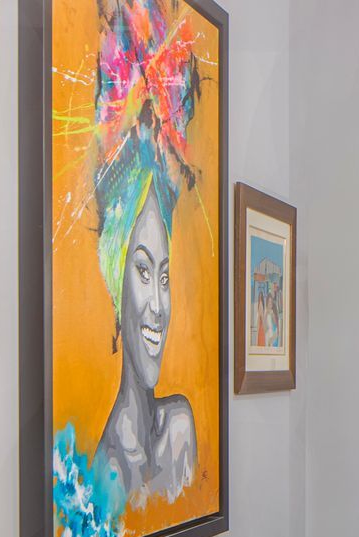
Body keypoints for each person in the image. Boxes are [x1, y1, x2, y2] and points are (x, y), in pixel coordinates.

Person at [88, 0, 201, 507]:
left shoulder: (180, 426)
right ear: (115, 279)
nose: (158, 305)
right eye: (141, 270)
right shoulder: (106, 473)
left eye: (164, 275)